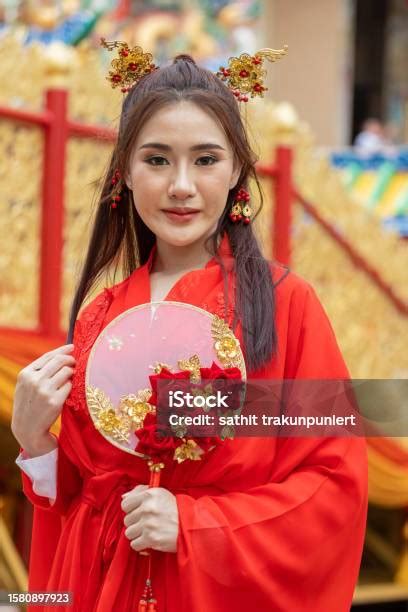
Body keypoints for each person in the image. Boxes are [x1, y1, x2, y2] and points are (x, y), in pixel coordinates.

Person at [11, 45, 368, 612]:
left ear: (236, 172)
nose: (181, 186)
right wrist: (36, 445)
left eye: (205, 160)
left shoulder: (284, 306)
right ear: (124, 172)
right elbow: (83, 498)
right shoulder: (99, 316)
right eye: (156, 160)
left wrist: (196, 523)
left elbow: (332, 488)